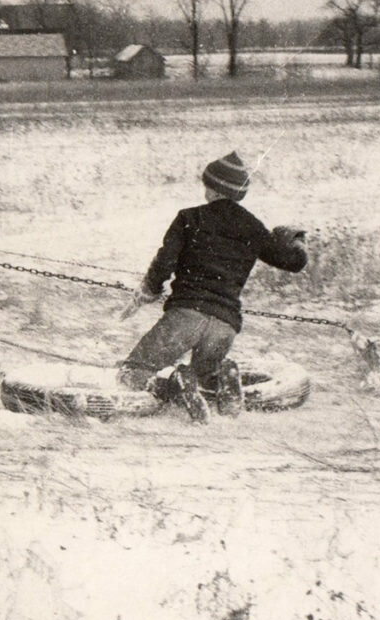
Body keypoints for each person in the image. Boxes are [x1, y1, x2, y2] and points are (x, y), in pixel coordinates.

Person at [118, 150, 308, 422]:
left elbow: (164, 263)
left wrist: (146, 292)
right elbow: (292, 262)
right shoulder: (252, 226)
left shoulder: (189, 218)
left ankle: (175, 386)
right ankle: (222, 381)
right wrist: (296, 238)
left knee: (132, 373)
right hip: (225, 325)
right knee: (204, 377)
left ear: (212, 188)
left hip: (186, 315)